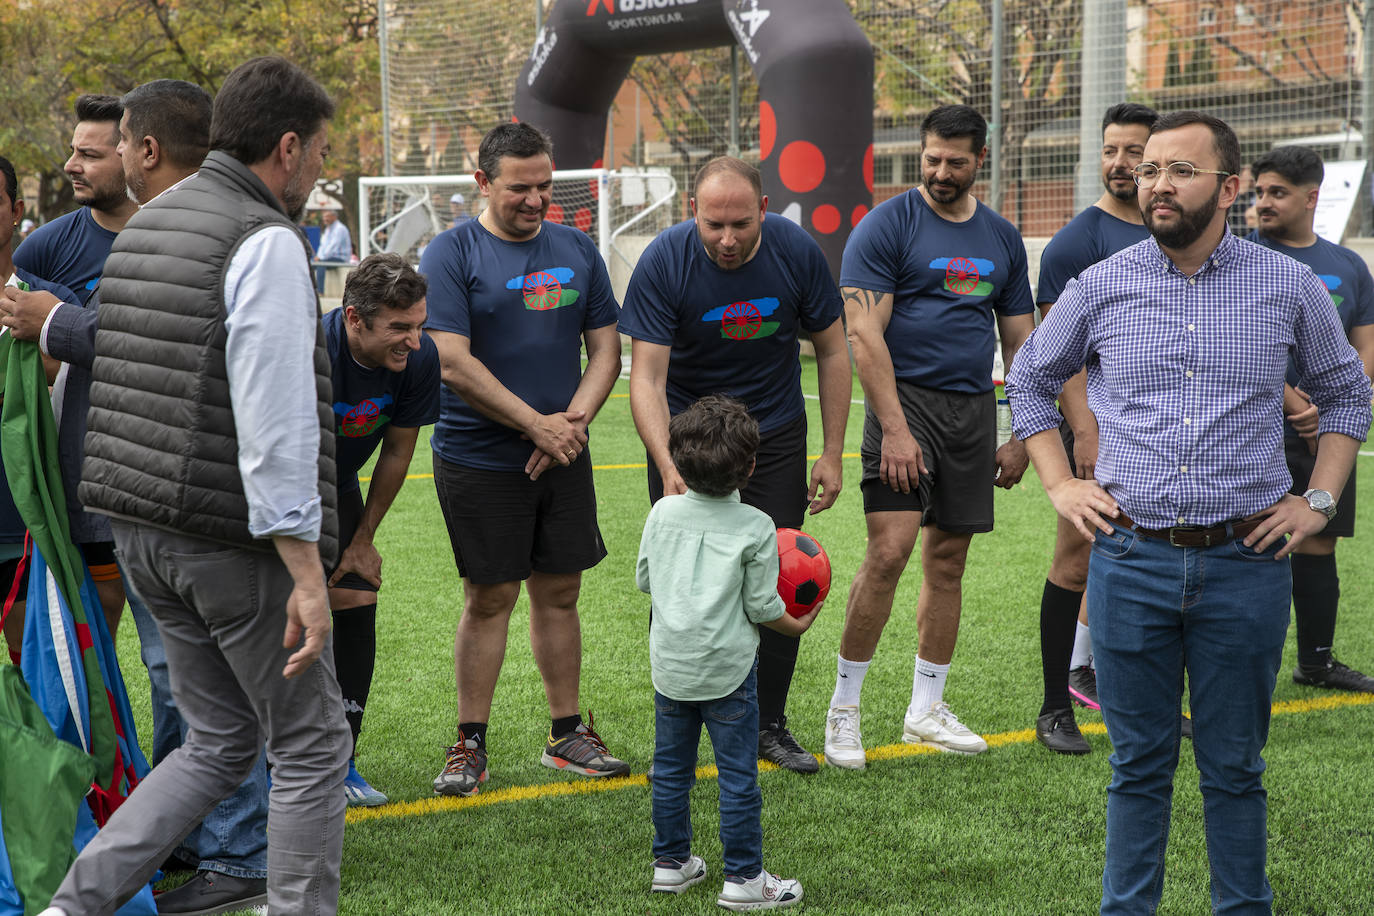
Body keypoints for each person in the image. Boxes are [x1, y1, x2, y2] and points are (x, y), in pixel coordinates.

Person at [1006, 110, 1371, 915]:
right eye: (1149, 171)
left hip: (1245, 565)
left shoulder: (1287, 286)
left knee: (1235, 767)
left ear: (1230, 188)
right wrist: (1061, 484)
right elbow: (1030, 380)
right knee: (1137, 767)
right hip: (1130, 561)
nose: (1156, 184)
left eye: (1178, 171)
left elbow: (1348, 392)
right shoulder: (1102, 283)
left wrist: (1317, 500)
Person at [39, 56, 351, 916]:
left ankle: (74, 906)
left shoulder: (146, 223)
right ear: (287, 147)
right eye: (321, 153)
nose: (319, 171)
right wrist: (304, 570)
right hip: (227, 540)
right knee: (314, 744)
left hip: (140, 529)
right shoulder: (264, 242)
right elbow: (275, 417)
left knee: (217, 743)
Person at [619, 156, 850, 774]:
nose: (726, 239)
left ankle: (767, 725)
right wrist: (667, 462)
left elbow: (831, 349)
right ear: (692, 211)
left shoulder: (797, 253)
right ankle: (682, 727)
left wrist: (831, 449)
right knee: (685, 583)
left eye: (741, 224)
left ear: (764, 211)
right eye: (713, 224)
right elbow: (646, 375)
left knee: (777, 574)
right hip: (690, 444)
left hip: (772, 438)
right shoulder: (665, 260)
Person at [823, 104, 1035, 768]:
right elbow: (862, 333)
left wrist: (1022, 431)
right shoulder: (885, 227)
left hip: (972, 413)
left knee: (948, 563)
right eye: (932, 159)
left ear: (980, 160)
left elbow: (1022, 342)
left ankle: (925, 710)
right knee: (888, 555)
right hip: (903, 405)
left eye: (956, 161)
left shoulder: (1001, 238)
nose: (942, 172)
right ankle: (844, 711)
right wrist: (894, 428)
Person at [418, 121, 626, 797]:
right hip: (480, 455)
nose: (537, 200)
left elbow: (606, 351)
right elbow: (450, 360)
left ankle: (567, 734)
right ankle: (469, 744)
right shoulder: (451, 253)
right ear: (482, 183)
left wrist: (570, 424)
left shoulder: (577, 248)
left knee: (561, 592)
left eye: (545, 186)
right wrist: (537, 426)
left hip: (563, 451)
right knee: (490, 597)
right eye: (520, 188)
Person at [637, 395, 816, 911]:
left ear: (676, 457)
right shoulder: (758, 526)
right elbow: (763, 607)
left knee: (671, 770)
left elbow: (645, 579)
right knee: (738, 776)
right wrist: (799, 621)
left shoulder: (662, 512)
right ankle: (744, 879)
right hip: (731, 672)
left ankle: (670, 865)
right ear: (751, 467)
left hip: (671, 667)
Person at [1029, 102, 1157, 755]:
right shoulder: (1077, 242)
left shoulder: (1179, 233)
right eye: (1110, 149)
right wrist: (1083, 428)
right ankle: (1056, 706)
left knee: (1163, 562)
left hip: (1167, 438)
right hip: (1099, 434)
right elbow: (1059, 352)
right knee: (1076, 559)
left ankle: (1147, 701)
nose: (1119, 162)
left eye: (1133, 151)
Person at [9, 93, 138, 639]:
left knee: (174, 648)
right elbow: (17, 350)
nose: (70, 165)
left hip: (160, 465)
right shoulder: (45, 247)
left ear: (133, 156)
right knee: (94, 614)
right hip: (82, 474)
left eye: (89, 154)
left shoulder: (168, 238)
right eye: (72, 150)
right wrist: (55, 360)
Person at [1249, 144, 1374, 692]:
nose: (1263, 204)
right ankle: (1237, 669)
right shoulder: (1240, 256)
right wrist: (1296, 403)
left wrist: (1334, 405)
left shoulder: (1347, 265)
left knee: (1318, 541)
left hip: (1327, 435)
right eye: (1258, 193)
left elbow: (1365, 346)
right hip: (1254, 430)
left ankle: (1317, 663)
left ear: (1311, 196)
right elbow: (1233, 344)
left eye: (1276, 193)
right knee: (1251, 541)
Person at [324, 252, 440, 803]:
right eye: (399, 327)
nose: (413, 340)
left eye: (418, 325)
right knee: (282, 612)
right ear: (353, 318)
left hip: (340, 483)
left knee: (354, 593)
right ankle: (271, 764)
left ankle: (343, 760)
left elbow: (396, 451)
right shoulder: (310, 351)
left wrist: (362, 538)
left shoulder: (419, 359)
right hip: (274, 489)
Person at [0, 153, 80, 666]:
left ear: (16, 211)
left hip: (22, 525)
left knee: (36, 676)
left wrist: (47, 363)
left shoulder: (48, 304)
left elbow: (76, 405)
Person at [314, 207, 352, 293]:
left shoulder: (340, 229)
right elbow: (322, 246)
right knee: (310, 263)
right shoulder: (328, 229)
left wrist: (321, 258)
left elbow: (333, 246)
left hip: (340, 258)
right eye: (324, 217)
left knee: (321, 264)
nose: (325, 219)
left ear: (334, 217)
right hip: (328, 257)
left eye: (327, 216)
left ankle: (320, 292)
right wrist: (318, 257)